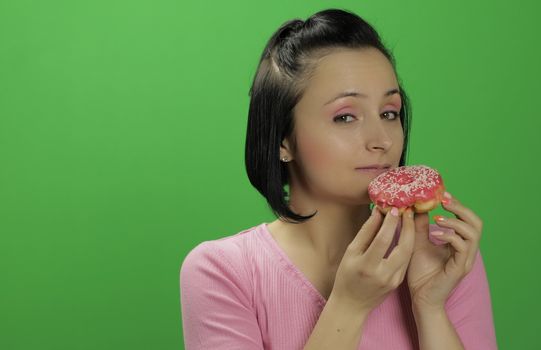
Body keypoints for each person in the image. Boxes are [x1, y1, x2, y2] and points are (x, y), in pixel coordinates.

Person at [179, 8, 497, 350]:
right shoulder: (222, 272)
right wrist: (348, 305)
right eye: (345, 117)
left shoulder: (444, 258)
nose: (383, 140)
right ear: (283, 140)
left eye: (390, 113)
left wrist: (430, 306)